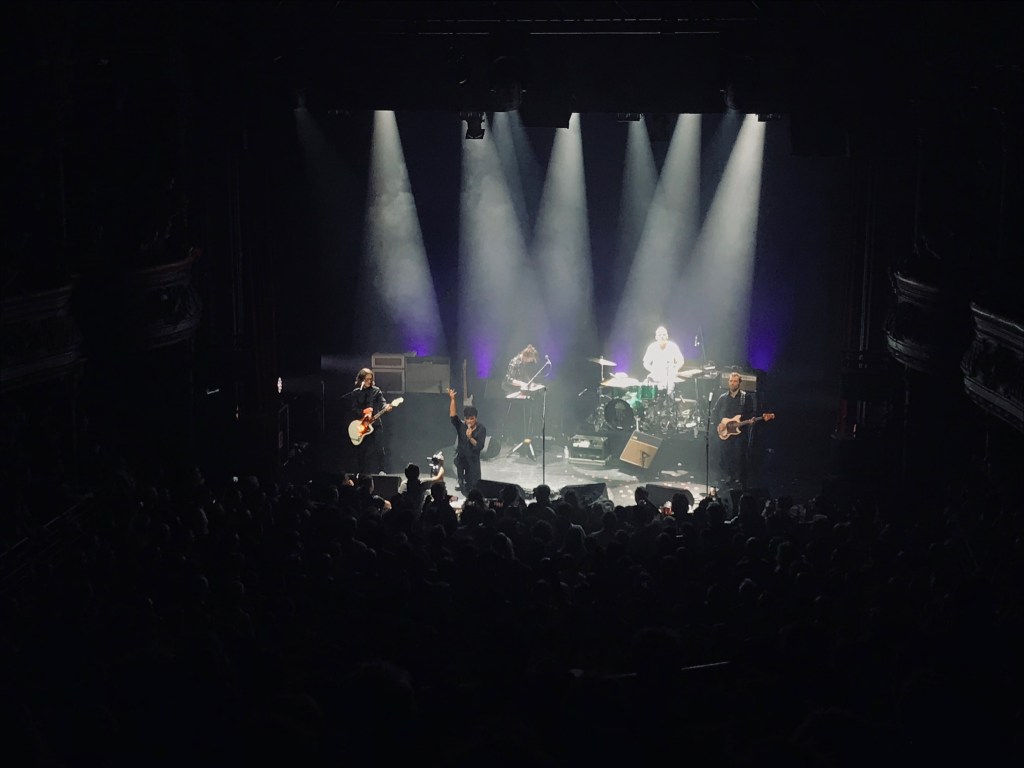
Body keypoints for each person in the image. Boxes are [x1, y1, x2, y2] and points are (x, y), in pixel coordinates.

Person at [712, 369, 754, 489]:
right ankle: (726, 478)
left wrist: (749, 421)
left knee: (739, 456)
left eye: (735, 381)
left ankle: (738, 479)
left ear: (739, 383)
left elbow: (751, 413)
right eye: (731, 381)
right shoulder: (723, 397)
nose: (732, 383)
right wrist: (718, 424)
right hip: (725, 432)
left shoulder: (746, 398)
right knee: (725, 455)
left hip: (740, 433)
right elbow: (715, 412)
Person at [346, 368, 392, 475]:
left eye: (371, 379)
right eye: (367, 379)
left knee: (379, 448)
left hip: (375, 424)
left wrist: (386, 407)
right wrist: (363, 411)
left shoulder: (376, 391)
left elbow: (382, 403)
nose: (369, 381)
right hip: (361, 425)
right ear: (361, 380)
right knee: (361, 451)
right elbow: (352, 408)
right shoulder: (356, 393)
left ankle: (382, 470)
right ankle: (360, 473)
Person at [448, 387, 486, 494]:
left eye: (472, 418)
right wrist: (453, 399)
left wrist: (470, 437)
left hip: (473, 460)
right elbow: (453, 416)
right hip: (462, 459)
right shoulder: (461, 426)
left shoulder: (481, 429)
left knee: (474, 485)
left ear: (476, 418)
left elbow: (480, 446)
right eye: (467, 418)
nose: (469, 421)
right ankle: (461, 484)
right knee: (462, 483)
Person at [642, 326, 685, 394]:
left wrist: (675, 369)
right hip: (655, 376)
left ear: (667, 336)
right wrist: (653, 370)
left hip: (669, 377)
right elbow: (645, 363)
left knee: (668, 391)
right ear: (656, 337)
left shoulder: (673, 347)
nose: (662, 336)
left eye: (664, 334)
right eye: (659, 335)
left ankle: (668, 400)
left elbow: (681, 361)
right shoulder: (652, 347)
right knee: (644, 387)